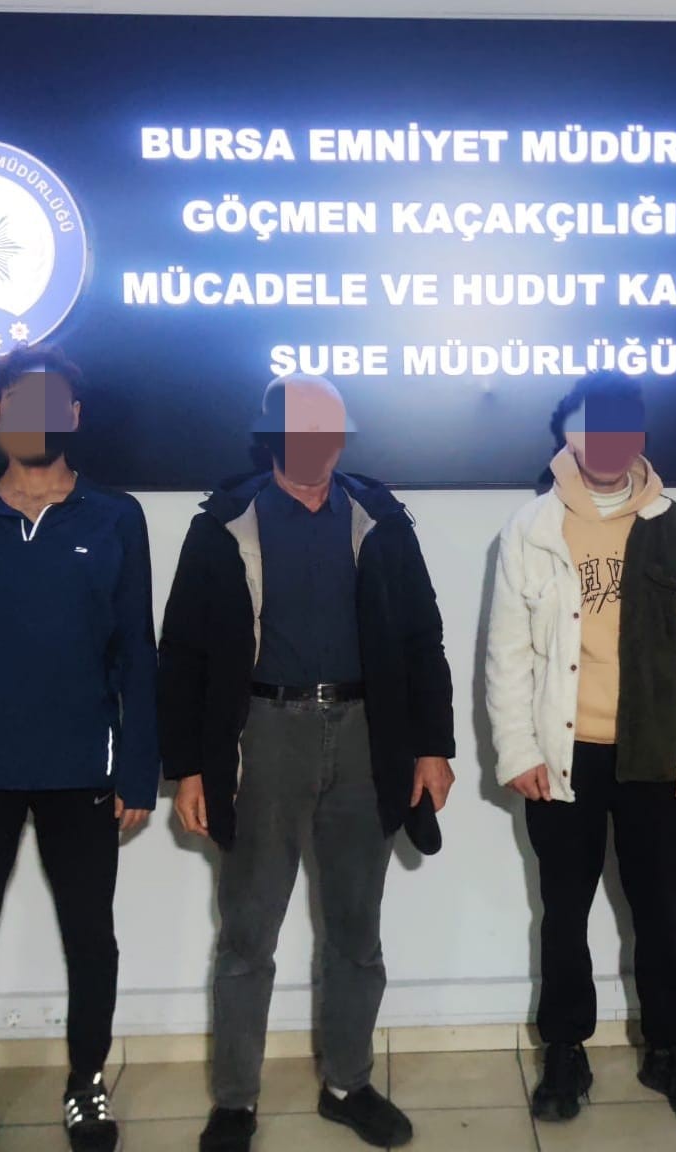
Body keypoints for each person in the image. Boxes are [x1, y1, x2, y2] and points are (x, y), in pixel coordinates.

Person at [157, 374, 456, 1152]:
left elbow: (422, 637)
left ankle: (347, 1084)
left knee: (356, 929)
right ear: (271, 437)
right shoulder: (225, 525)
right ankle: (235, 1101)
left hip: (367, 737)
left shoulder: (380, 520)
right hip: (263, 736)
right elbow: (181, 652)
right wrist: (188, 768)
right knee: (249, 932)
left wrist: (432, 746)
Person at [0, 345, 159, 1152]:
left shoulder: (115, 517)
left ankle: (86, 1085)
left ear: (72, 416)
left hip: (82, 768)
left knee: (90, 935)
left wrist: (138, 768)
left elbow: (136, 655)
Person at [485, 371, 676, 1125]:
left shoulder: (675, 525)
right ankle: (564, 1049)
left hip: (651, 754)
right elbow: (507, 652)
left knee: (659, 911)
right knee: (564, 912)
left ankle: (672, 1047)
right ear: (569, 435)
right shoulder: (531, 528)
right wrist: (516, 748)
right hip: (564, 756)